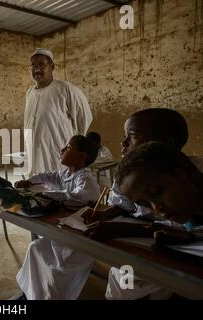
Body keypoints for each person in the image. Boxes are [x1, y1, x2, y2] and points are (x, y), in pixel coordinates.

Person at [80, 108, 202, 300]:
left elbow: (181, 230)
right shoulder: (130, 176)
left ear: (164, 142)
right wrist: (106, 215)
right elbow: (125, 205)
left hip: (158, 242)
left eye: (132, 136)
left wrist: (122, 228)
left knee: (135, 275)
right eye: (145, 202)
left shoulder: (186, 184)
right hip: (154, 235)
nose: (123, 143)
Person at [15, 135, 100, 300]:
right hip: (64, 233)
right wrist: (29, 182)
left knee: (58, 267)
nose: (62, 150)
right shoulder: (66, 173)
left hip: (79, 240)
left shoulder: (85, 178)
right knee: (35, 248)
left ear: (81, 156)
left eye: (68, 148)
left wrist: (46, 194)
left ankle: (51, 296)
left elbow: (80, 196)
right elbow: (47, 176)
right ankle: (31, 294)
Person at [24, 48, 93, 178]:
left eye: (41, 65)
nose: (36, 69)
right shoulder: (30, 93)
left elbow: (84, 117)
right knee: (37, 188)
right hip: (34, 155)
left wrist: (73, 146)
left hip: (57, 153)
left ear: (52, 66)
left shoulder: (65, 89)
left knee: (58, 187)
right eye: (33, 65)